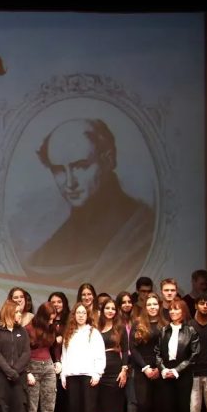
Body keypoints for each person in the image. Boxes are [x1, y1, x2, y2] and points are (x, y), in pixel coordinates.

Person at [25, 118, 154, 289]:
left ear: (108, 161)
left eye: (80, 166)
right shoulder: (46, 254)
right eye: (59, 170)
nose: (70, 183)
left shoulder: (143, 231)